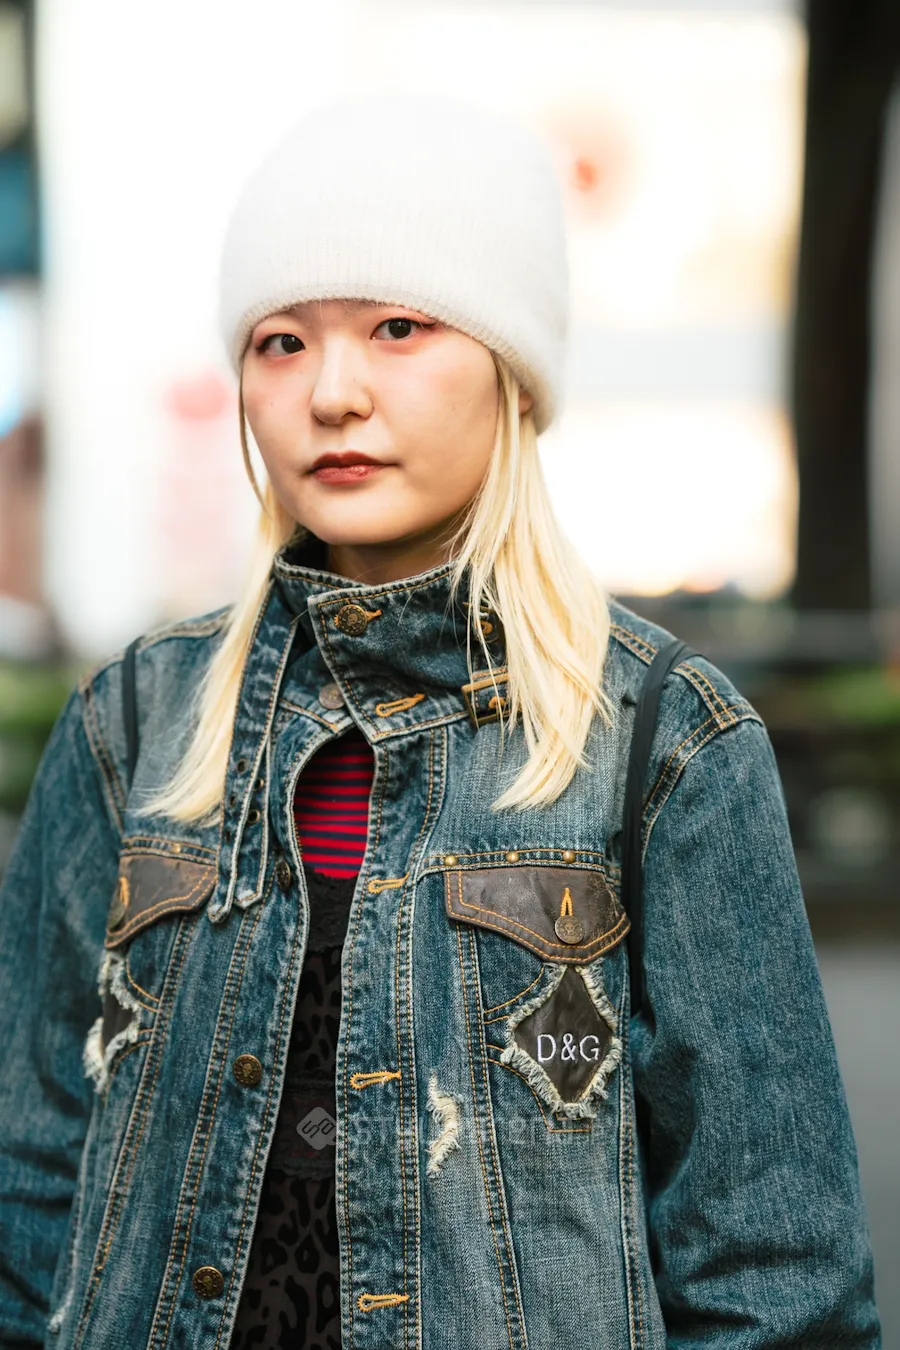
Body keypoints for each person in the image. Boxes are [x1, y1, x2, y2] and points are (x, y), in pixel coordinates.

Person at [0, 92, 881, 1350]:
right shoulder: (133, 725)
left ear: (511, 372)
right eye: (281, 342)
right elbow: (28, 1189)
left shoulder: (660, 744)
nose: (333, 393)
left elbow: (776, 1276)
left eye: (399, 328)